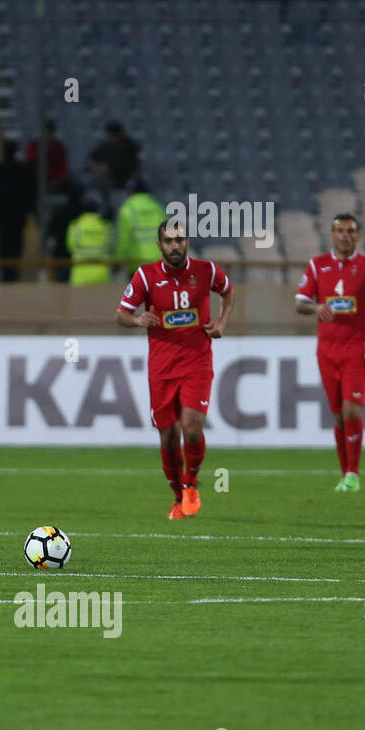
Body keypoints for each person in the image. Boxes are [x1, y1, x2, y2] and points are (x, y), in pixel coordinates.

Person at [117, 220, 233, 519]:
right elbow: (122, 314)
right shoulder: (146, 275)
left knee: (192, 427)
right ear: (160, 245)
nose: (175, 245)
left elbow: (228, 291)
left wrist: (222, 321)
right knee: (168, 437)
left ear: (187, 242)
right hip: (162, 368)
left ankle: (191, 484)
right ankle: (178, 496)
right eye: (168, 241)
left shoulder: (207, 271)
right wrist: (138, 320)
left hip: (197, 361)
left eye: (179, 240)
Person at [295, 214, 365, 492]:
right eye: (340, 230)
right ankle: (345, 475)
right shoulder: (317, 266)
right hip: (327, 349)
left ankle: (353, 474)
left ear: (358, 236)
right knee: (339, 414)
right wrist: (316, 307)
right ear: (332, 235)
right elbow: (300, 303)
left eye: (350, 231)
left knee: (351, 408)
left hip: (362, 347)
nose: (345, 236)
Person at [0, 140, 36, 282]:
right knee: (15, 242)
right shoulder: (22, 170)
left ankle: (8, 272)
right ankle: (11, 271)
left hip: (7, 214)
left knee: (5, 242)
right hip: (13, 214)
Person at [116, 181, 162, 274]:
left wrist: (119, 259)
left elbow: (123, 239)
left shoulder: (127, 209)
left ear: (131, 192)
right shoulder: (158, 208)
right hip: (158, 261)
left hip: (136, 262)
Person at [66, 197, 114, 285]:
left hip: (80, 272)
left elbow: (70, 246)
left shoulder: (75, 226)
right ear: (97, 210)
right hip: (101, 272)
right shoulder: (106, 226)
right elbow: (111, 246)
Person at [25, 119, 70, 189]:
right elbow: (30, 164)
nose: (48, 134)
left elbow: (63, 169)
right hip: (36, 181)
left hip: (55, 182)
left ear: (53, 132)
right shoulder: (33, 147)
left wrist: (56, 181)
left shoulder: (59, 148)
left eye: (50, 132)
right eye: (46, 131)